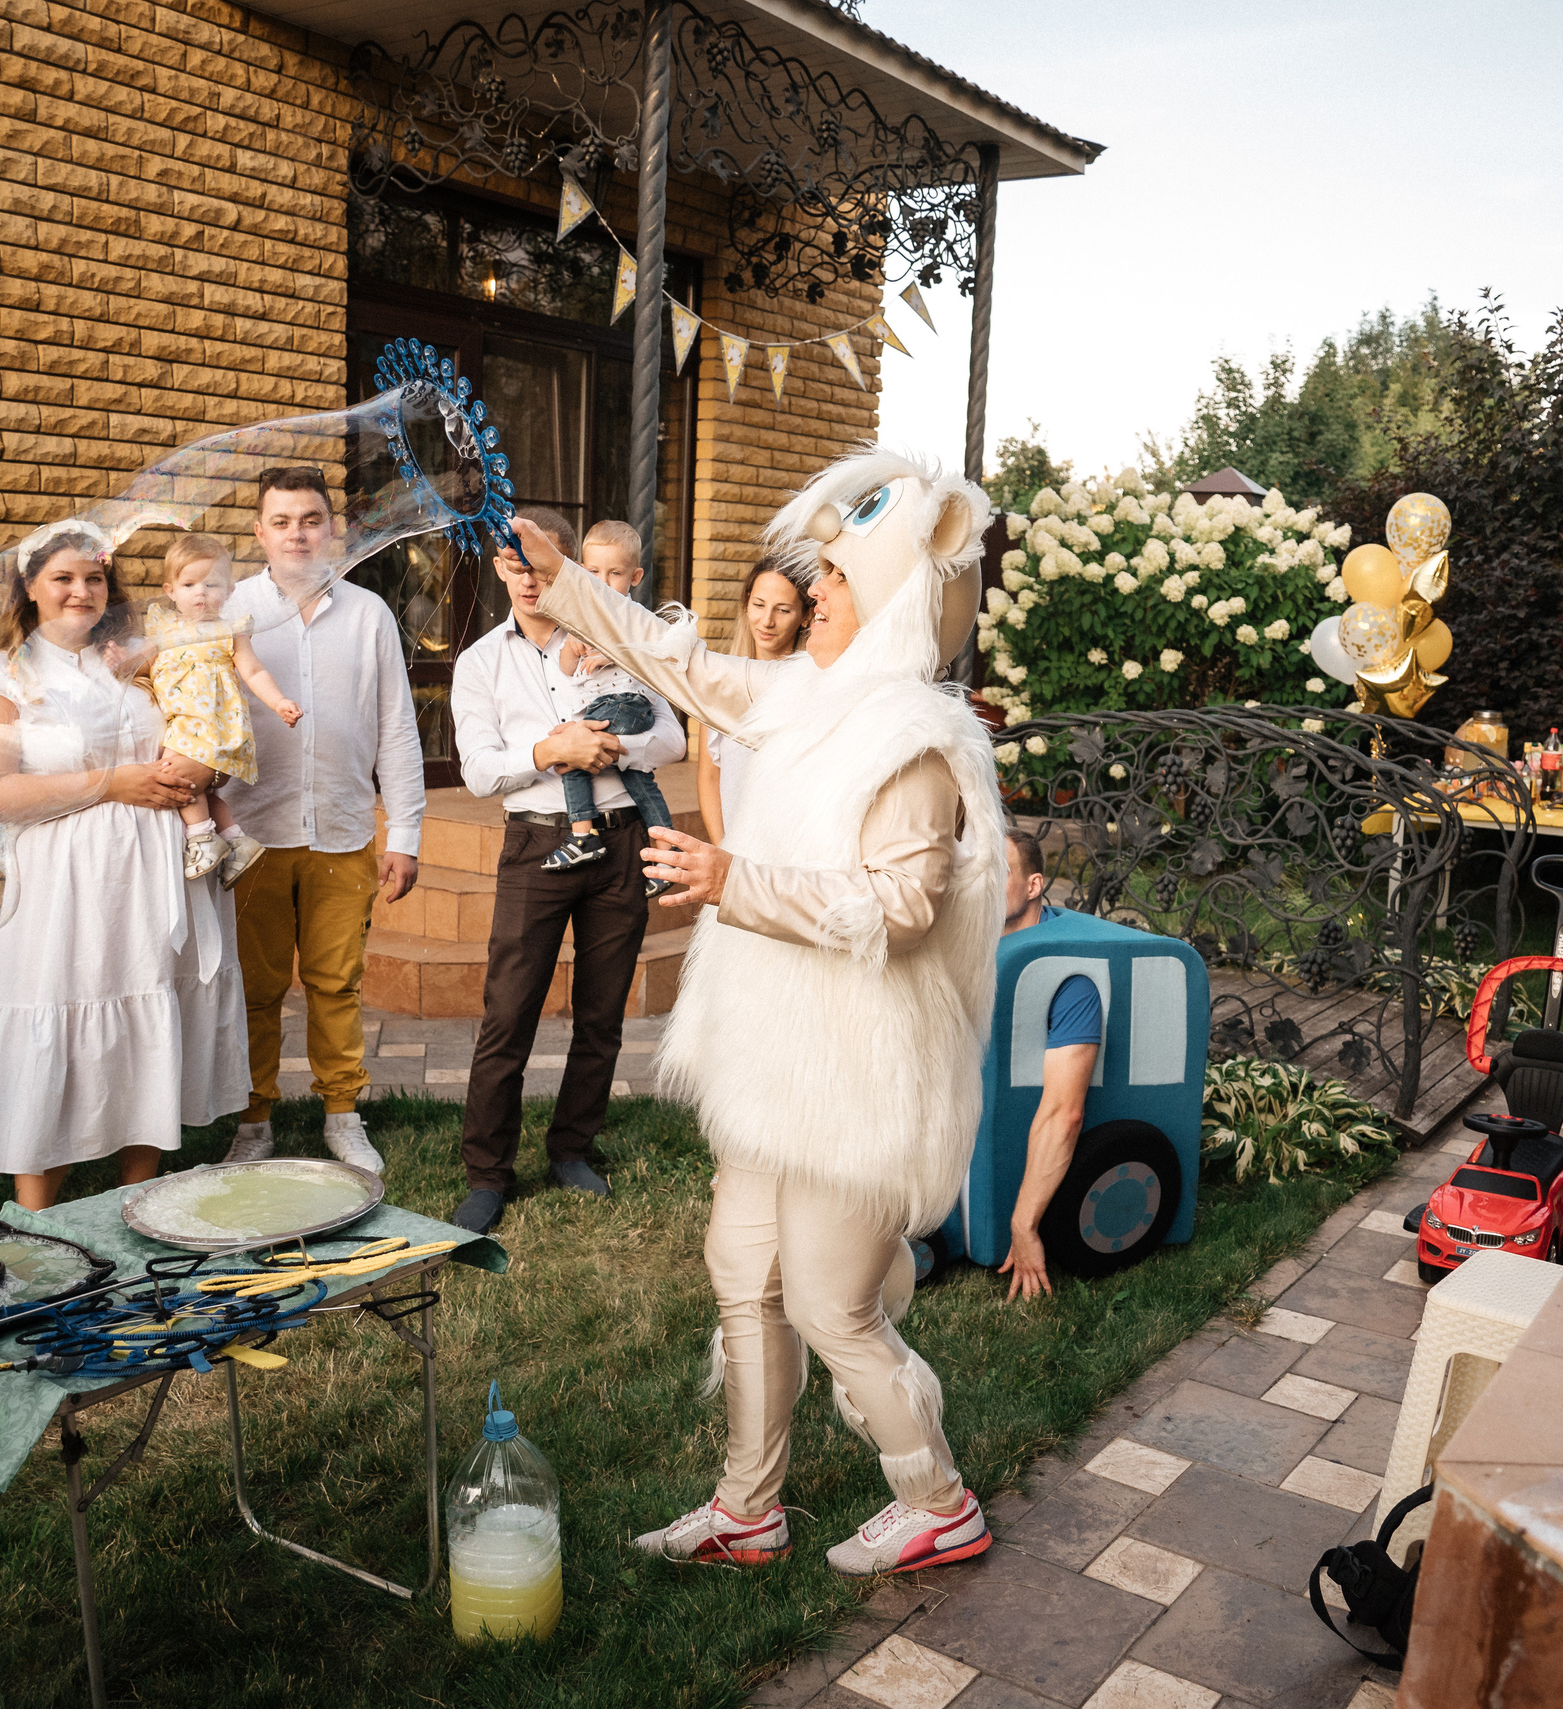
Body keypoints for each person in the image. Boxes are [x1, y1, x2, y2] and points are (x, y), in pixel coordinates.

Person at [507, 447, 1009, 1578]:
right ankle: (749, 1507)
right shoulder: (801, 696)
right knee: (743, 1273)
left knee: (833, 1307)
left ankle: (939, 1500)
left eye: (834, 578)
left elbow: (901, 907)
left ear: (887, 607)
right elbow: (688, 667)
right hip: (768, 1059)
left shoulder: (915, 748)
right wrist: (562, 583)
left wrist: (735, 881)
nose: (814, 591)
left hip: (850, 1075)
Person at [0, 521, 248, 1210]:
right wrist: (114, 783)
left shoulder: (137, 659)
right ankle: (36, 1210)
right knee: (61, 1013)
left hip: (155, 871)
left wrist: (200, 774)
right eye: (63, 577)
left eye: (93, 577)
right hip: (67, 885)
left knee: (151, 1006)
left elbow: (202, 734)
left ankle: (135, 1199)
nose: (81, 590)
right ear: (30, 587)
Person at [446, 507, 684, 1234]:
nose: (526, 577)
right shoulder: (480, 661)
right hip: (536, 842)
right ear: (498, 567)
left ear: (561, 571)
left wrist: (611, 747)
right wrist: (553, 752)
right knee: (509, 1011)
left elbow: (672, 736)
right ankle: (488, 1171)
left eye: (538, 566)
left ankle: (573, 1148)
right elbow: (481, 770)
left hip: (619, 843)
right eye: (513, 564)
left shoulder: (622, 641)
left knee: (603, 1011)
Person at [217, 468, 428, 1174]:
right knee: (257, 987)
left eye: (310, 518)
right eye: (281, 521)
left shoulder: (368, 614)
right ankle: (254, 1119)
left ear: (330, 527)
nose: (297, 532)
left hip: (342, 830)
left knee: (337, 983)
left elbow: (397, 729)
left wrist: (405, 834)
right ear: (259, 532)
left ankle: (342, 1112)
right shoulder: (230, 610)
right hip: (252, 832)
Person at [139, 532, 302, 883]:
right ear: (171, 590)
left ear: (229, 591)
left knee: (176, 778)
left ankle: (201, 838)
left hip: (210, 726)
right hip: (182, 723)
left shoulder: (229, 631)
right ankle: (236, 840)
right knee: (206, 790)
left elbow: (254, 672)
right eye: (189, 583)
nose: (200, 592)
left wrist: (279, 702)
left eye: (211, 584)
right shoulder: (163, 629)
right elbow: (141, 667)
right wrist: (119, 660)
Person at [991, 826, 1104, 1303]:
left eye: (999, 873)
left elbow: (1065, 1111)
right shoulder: (965, 946)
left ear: (1033, 886)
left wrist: (1023, 1224)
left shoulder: (1069, 978)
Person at [545, 520, 675, 893]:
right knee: (638, 779)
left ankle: (583, 834)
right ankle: (664, 854)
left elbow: (658, 653)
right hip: (608, 708)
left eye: (615, 573)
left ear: (634, 577)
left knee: (573, 749)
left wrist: (614, 654)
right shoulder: (580, 616)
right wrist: (571, 647)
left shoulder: (635, 617)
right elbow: (567, 670)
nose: (603, 581)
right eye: (594, 572)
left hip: (629, 704)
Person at [695, 558, 809, 845]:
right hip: (735, 856)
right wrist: (724, 853)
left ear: (806, 616)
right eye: (759, 605)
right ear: (746, 604)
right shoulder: (719, 680)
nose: (767, 621)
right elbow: (709, 777)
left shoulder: (814, 686)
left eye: (783, 610)